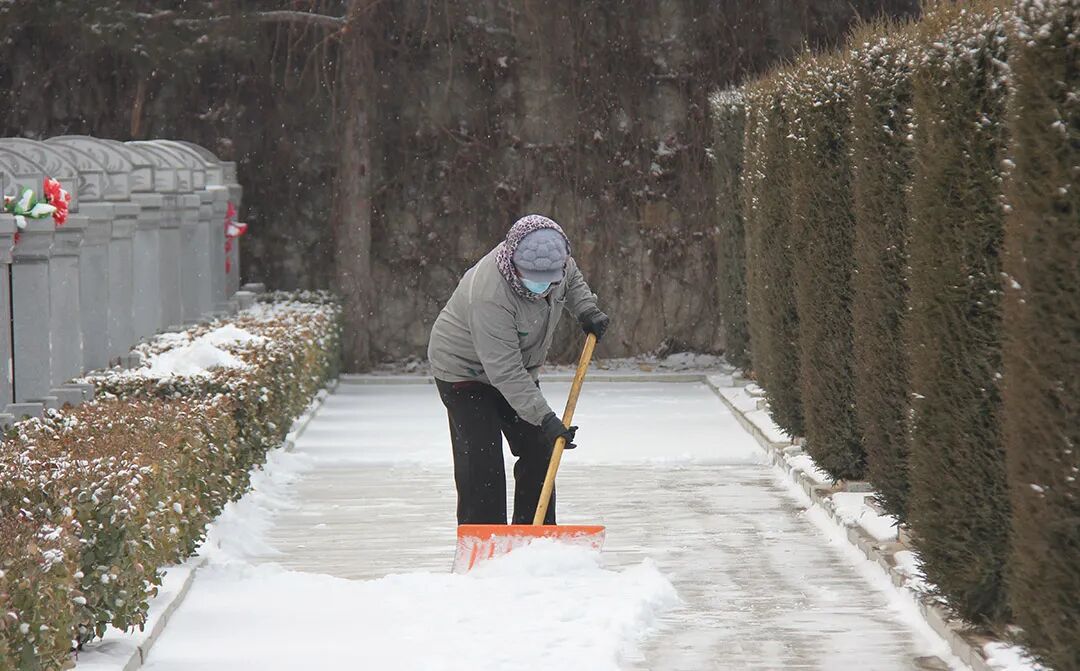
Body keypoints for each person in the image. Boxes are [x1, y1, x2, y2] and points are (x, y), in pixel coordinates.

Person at [428, 214, 610, 526]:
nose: (542, 288)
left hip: (516, 370)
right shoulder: (489, 294)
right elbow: (505, 371)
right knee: (482, 464)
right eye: (533, 278)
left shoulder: (560, 264)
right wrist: (547, 418)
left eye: (549, 279)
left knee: (540, 450)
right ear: (513, 262)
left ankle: (533, 536)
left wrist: (587, 309)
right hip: (465, 373)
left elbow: (573, 281)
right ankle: (485, 542)